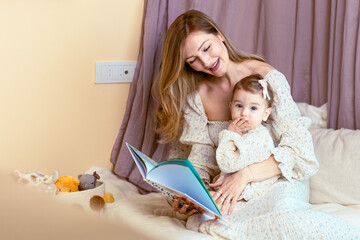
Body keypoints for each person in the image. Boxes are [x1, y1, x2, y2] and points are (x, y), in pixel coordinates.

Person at [155, 9, 360, 239]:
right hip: (231, 187)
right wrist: (193, 195)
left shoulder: (266, 78)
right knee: (206, 221)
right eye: (193, 60)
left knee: (283, 222)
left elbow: (301, 150)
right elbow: (201, 156)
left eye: (206, 48)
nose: (206, 62)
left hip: (276, 180)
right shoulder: (196, 96)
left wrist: (245, 175)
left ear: (219, 35)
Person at [215, 74, 279, 203]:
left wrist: (230, 135)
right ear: (230, 106)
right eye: (239, 106)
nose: (244, 113)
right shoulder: (241, 133)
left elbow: (228, 164)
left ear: (265, 114)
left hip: (248, 194)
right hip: (235, 187)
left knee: (212, 208)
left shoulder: (258, 138)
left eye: (253, 108)